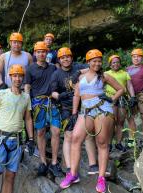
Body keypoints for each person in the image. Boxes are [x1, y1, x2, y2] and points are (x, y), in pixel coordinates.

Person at [60, 49, 124, 193]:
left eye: (99, 61)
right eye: (94, 61)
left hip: (102, 109)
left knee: (102, 142)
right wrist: (74, 114)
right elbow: (77, 95)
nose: (97, 63)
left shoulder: (104, 76)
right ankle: (73, 174)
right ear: (88, 62)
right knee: (76, 138)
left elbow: (121, 89)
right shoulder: (80, 76)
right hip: (86, 111)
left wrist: (112, 99)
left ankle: (101, 177)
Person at [0, 64, 35, 193]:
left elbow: (28, 119)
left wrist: (31, 138)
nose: (17, 79)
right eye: (15, 76)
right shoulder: (2, 93)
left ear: (23, 78)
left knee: (10, 176)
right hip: (0, 139)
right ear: (10, 77)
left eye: (20, 76)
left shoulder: (26, 97)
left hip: (16, 141)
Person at [24, 41, 61, 177]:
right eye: (39, 51)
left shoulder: (52, 68)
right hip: (37, 103)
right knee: (40, 132)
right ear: (35, 53)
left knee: (56, 131)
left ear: (47, 53)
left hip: (51, 101)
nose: (41, 54)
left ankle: (55, 162)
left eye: (43, 51)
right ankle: (43, 161)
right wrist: (27, 103)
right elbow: (27, 87)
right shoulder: (30, 69)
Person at [50, 47, 87, 174]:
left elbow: (93, 67)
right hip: (66, 107)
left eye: (68, 57)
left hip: (81, 106)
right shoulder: (56, 74)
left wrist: (80, 72)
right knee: (68, 135)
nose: (65, 59)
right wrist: (60, 96)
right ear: (59, 60)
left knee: (83, 135)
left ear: (71, 58)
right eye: (62, 57)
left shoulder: (77, 68)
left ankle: (80, 162)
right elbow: (52, 92)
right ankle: (70, 167)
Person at [105, 55, 136, 151]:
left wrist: (133, 97)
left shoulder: (125, 73)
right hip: (111, 98)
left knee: (120, 122)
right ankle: (109, 143)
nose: (116, 64)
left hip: (122, 98)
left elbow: (129, 86)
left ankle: (118, 143)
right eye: (113, 62)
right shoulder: (106, 73)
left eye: (117, 62)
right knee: (111, 121)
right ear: (110, 64)